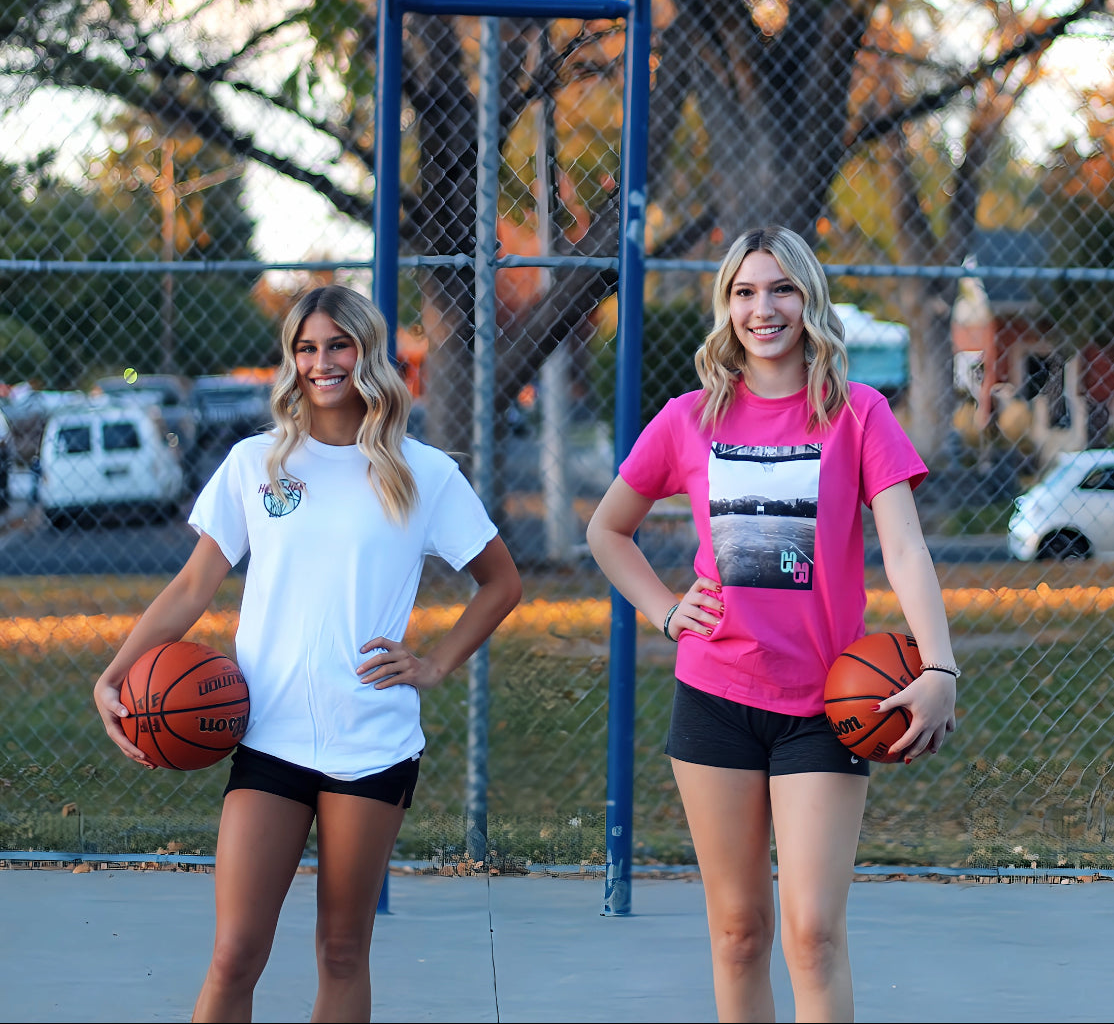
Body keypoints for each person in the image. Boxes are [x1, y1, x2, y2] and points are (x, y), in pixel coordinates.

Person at [94, 286, 521, 1023]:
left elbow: (500, 582)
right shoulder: (256, 463)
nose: (322, 361)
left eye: (338, 344)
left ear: (368, 354)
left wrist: (434, 664)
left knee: (342, 950)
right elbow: (195, 582)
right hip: (269, 734)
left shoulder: (421, 472)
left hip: (371, 739)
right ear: (292, 360)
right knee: (234, 955)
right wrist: (114, 672)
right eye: (307, 347)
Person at [587, 227, 957, 1024]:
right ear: (726, 306)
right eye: (745, 291)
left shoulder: (858, 413)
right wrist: (663, 609)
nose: (764, 308)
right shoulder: (689, 418)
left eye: (781, 288)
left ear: (809, 300)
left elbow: (903, 545)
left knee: (813, 934)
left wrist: (940, 668)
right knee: (736, 933)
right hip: (715, 696)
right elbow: (606, 530)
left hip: (824, 705)